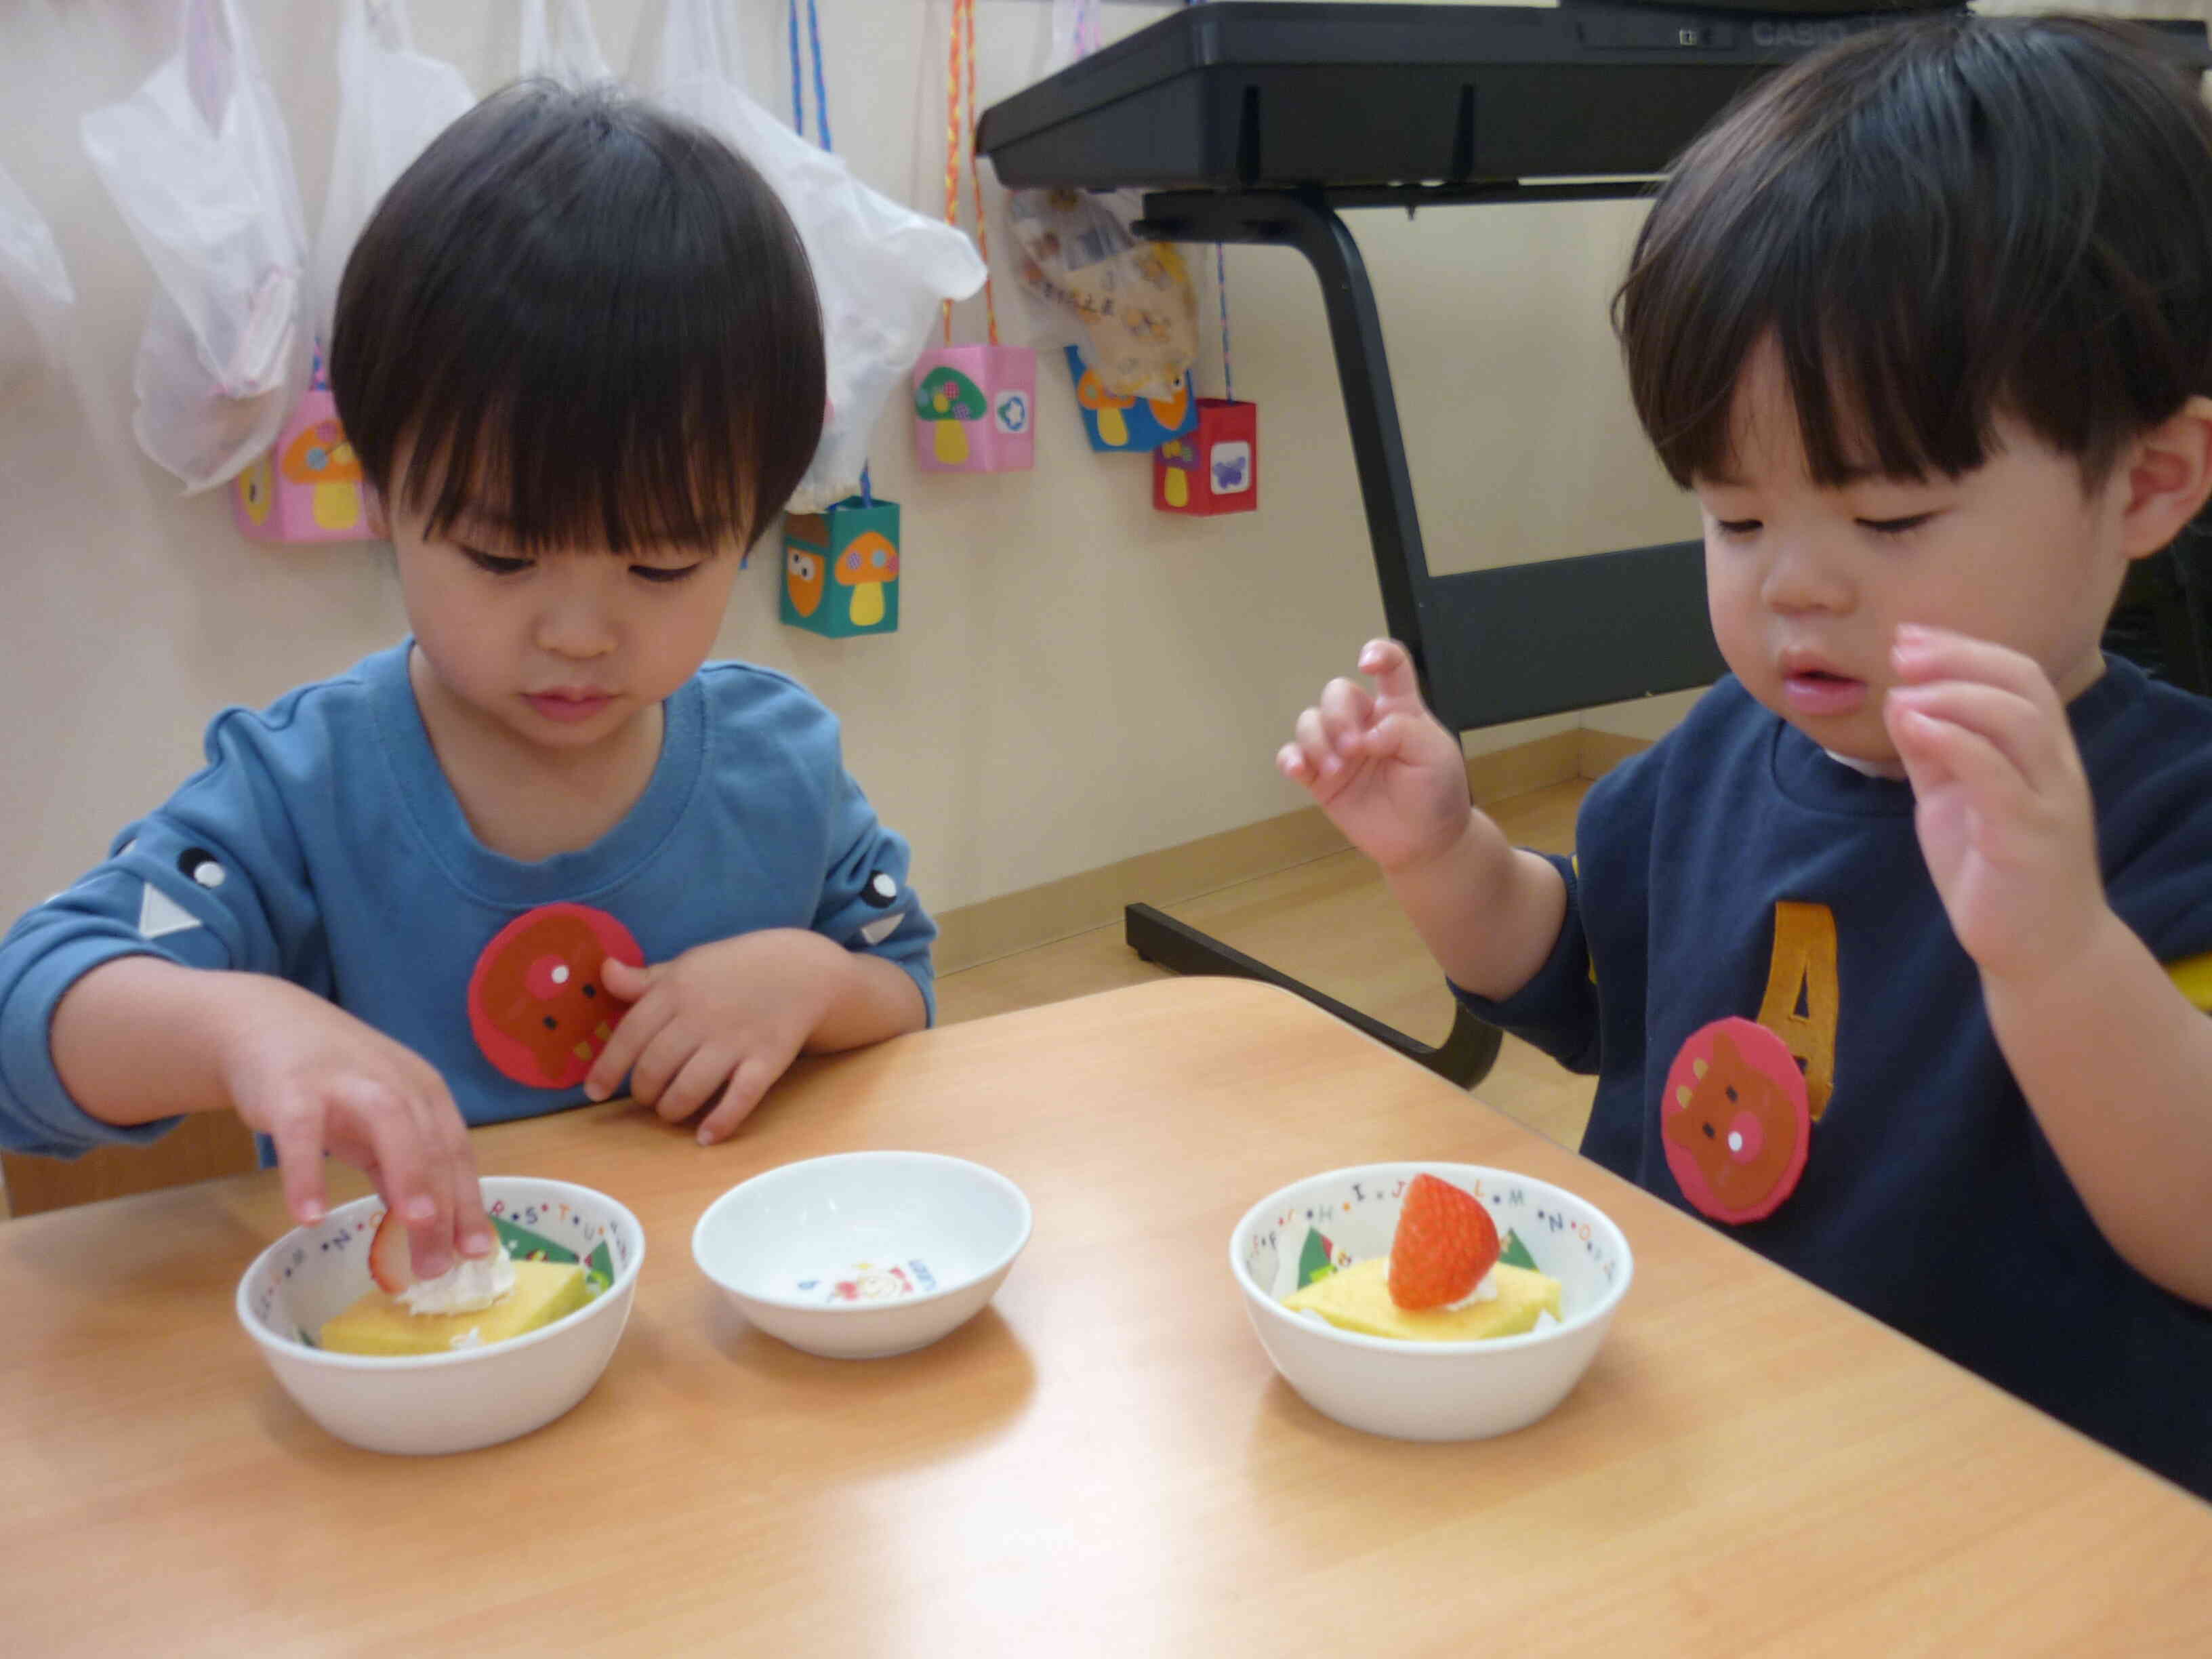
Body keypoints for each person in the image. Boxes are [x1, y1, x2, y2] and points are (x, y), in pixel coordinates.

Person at [1277, 15, 2212, 1498]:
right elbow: (1581, 977)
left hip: (1990, 1513)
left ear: (2148, 483)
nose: (1795, 586)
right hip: (1690, 1442)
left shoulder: (2172, 820)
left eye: (1890, 519)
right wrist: (1443, 852)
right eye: (1735, 515)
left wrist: (2054, 950)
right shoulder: (1722, 753)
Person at [0, 84, 934, 1283]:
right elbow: (29, 1025)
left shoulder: (782, 758)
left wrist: (814, 982)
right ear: (381, 496)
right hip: (433, 1345)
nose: (582, 635)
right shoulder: (301, 789)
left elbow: (901, 983)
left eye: (660, 565)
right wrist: (244, 1027)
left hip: (725, 1327)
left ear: (748, 528)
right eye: (501, 556)